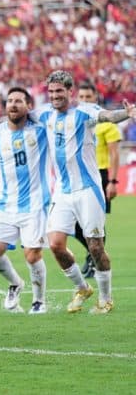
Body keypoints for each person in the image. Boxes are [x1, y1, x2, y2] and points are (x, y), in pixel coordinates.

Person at [0, 70, 135, 314]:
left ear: (69, 92)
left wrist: (126, 114)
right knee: (55, 244)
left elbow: (107, 116)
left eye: (59, 92)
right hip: (62, 192)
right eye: (51, 92)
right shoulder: (43, 114)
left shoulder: (85, 111)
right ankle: (82, 288)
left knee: (95, 247)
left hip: (88, 189)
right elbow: (12, 117)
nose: (54, 96)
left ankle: (106, 298)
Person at [0, 87, 50, 314]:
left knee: (32, 254)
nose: (13, 105)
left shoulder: (40, 129)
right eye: (9, 101)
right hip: (6, 204)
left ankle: (39, 301)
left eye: (18, 101)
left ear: (28, 106)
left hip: (36, 203)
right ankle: (16, 284)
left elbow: (54, 113)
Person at [73, 82, 122, 278]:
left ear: (96, 98)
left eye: (88, 97)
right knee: (76, 225)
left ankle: (97, 260)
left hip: (100, 174)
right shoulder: (76, 121)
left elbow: (115, 154)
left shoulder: (105, 123)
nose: (84, 100)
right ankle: (92, 254)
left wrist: (113, 181)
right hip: (79, 176)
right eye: (81, 97)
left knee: (96, 223)